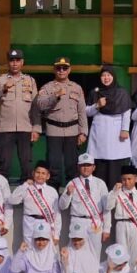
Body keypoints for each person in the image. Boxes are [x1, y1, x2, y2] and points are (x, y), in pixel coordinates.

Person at [0, 48, 41, 183]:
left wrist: (36, 128)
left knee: (26, 164)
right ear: (8, 62)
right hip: (6, 128)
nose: (14, 63)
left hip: (26, 127)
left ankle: (27, 193)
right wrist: (3, 89)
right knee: (4, 163)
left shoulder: (30, 80)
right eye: (12, 60)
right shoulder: (0, 80)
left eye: (17, 60)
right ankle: (1, 192)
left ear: (22, 62)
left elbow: (36, 106)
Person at [37, 56, 88, 187]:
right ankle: (53, 194)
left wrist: (83, 132)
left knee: (72, 166)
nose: (61, 70)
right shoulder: (47, 87)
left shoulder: (76, 88)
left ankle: (72, 194)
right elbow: (40, 105)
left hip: (72, 131)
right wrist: (55, 96)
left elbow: (82, 111)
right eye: (58, 68)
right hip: (54, 131)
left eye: (64, 68)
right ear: (54, 69)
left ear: (69, 70)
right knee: (53, 166)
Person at [85, 65, 132, 188]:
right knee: (100, 166)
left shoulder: (122, 92)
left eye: (108, 75)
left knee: (115, 166)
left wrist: (125, 129)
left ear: (113, 77)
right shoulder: (95, 92)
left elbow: (127, 112)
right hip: (99, 134)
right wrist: (97, 105)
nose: (106, 78)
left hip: (116, 135)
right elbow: (87, 112)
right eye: (103, 75)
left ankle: (115, 194)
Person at [59, 153, 110, 261]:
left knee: (95, 254)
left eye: (88, 165)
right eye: (83, 165)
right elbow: (62, 206)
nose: (85, 168)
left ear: (94, 167)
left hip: (95, 222)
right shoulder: (73, 182)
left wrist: (106, 229)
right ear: (78, 167)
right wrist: (68, 194)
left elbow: (106, 208)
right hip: (78, 221)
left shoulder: (100, 183)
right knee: (75, 254)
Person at [106, 165, 137, 273]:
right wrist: (114, 191)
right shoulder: (117, 193)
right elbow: (108, 206)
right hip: (121, 224)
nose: (127, 182)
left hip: (136, 226)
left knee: (136, 256)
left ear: (136, 179)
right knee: (121, 255)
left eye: (129, 179)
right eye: (124, 179)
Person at [9, 161, 61, 246]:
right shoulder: (27, 188)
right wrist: (25, 185)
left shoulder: (52, 191)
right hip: (29, 223)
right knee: (29, 249)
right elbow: (12, 200)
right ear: (33, 173)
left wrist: (56, 235)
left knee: (45, 249)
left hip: (46, 222)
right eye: (38, 172)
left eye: (43, 173)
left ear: (48, 176)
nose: (40, 175)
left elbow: (57, 214)